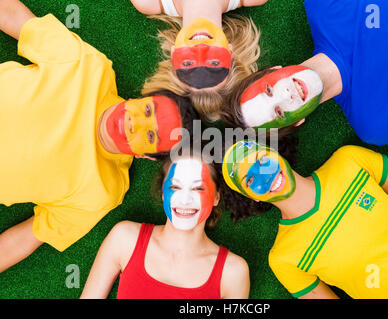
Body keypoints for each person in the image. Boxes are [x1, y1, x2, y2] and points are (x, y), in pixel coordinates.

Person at [0, 0, 198, 273]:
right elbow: (13, 17)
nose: (133, 122)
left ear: (146, 155)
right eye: (147, 109)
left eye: (150, 135)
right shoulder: (89, 66)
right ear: (142, 97)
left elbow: (25, 238)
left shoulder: (104, 192)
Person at [222, 140, 388, 298]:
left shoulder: (349, 160)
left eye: (262, 159)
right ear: (251, 197)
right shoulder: (284, 258)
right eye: (250, 180)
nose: (265, 175)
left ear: (275, 152)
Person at [223, 0, 388, 145]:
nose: (286, 95)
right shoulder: (374, 124)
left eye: (269, 90)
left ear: (272, 71)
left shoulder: (324, 6)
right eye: (280, 112)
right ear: (298, 121)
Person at [81, 152, 250, 299]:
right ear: (163, 193)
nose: (185, 200)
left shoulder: (233, 272)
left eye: (198, 188)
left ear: (216, 197)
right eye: (175, 186)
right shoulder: (125, 239)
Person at [130, 0, 267, 121]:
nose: (200, 49)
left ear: (173, 55)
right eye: (214, 63)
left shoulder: (148, 2)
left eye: (188, 63)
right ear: (229, 52)